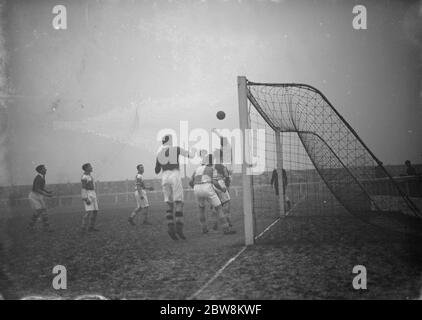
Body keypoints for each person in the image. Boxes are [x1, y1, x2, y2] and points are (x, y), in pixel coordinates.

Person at [155, 135, 194, 240]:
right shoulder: (175, 148)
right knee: (179, 202)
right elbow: (191, 155)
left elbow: (157, 170)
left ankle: (170, 227)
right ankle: (179, 228)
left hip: (164, 177)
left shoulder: (159, 153)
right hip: (174, 175)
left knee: (169, 203)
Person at [190, 154, 235, 235]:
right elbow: (214, 182)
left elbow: (190, 182)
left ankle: (204, 229)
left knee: (201, 209)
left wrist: (196, 188)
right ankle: (226, 229)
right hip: (207, 186)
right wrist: (222, 189)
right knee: (219, 208)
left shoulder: (197, 169)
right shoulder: (211, 169)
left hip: (196, 188)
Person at [27, 165, 53, 232]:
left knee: (42, 211)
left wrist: (47, 191)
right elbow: (37, 189)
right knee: (40, 211)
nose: (46, 170)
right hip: (34, 196)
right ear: (41, 170)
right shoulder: (38, 178)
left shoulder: (42, 177)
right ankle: (32, 226)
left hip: (38, 195)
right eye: (44, 169)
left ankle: (32, 226)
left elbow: (41, 188)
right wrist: (47, 194)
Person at [81, 163, 99, 232]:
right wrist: (85, 198)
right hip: (88, 194)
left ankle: (91, 227)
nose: (92, 167)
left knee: (95, 211)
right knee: (88, 212)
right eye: (90, 167)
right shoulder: (84, 177)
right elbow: (83, 188)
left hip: (93, 193)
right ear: (86, 168)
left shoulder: (90, 176)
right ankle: (83, 227)